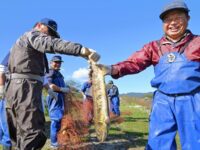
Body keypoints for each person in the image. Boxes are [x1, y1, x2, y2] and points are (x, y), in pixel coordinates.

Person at [98, 1, 200, 149]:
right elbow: (134, 62)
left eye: (178, 18)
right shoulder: (153, 47)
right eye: (167, 19)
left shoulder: (197, 42)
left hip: (193, 100)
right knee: (158, 143)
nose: (172, 23)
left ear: (188, 19)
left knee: (195, 142)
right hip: (163, 101)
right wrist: (111, 68)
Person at [2, 18, 100, 150]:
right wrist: (81, 50)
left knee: (20, 133)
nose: (50, 36)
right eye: (49, 32)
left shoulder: (31, 49)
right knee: (32, 132)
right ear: (38, 25)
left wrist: (48, 88)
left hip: (19, 88)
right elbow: (51, 44)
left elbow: (35, 74)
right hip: (25, 89)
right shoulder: (32, 35)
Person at [45, 55, 69, 148]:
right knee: (56, 120)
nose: (57, 64)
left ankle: (58, 141)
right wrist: (62, 89)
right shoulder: (50, 71)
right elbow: (50, 85)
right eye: (55, 62)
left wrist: (66, 89)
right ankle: (54, 144)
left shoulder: (59, 74)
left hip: (61, 97)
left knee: (60, 120)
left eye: (59, 62)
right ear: (51, 63)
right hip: (54, 96)